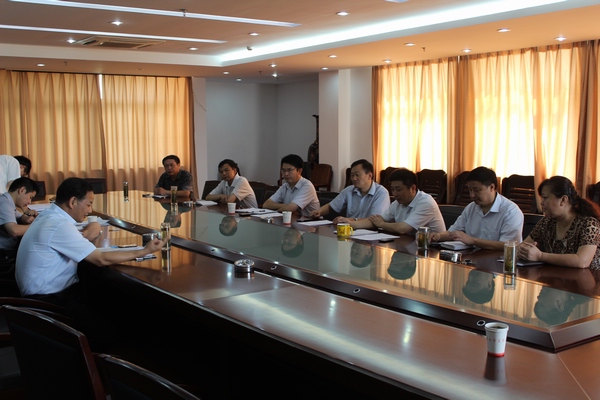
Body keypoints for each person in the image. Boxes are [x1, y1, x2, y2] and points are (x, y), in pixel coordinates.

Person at [431, 167, 523, 250]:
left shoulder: (511, 211)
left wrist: (473, 241)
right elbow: (453, 233)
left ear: (492, 187)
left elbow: (507, 245)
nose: (472, 195)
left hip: (498, 261)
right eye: (470, 190)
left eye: (476, 190)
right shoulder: (471, 208)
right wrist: (438, 236)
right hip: (472, 258)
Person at [518, 176, 600, 269]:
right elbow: (523, 246)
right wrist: (525, 251)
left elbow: (582, 261)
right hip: (555, 275)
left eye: (545, 198)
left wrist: (540, 256)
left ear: (563, 200)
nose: (541, 203)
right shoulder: (547, 222)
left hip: (588, 277)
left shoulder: (589, 224)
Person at [349, 168, 446, 235]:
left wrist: (382, 224)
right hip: (409, 245)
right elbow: (377, 220)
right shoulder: (398, 203)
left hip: (432, 250)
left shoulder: (426, 202)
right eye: (392, 189)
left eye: (398, 189)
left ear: (413, 188)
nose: (394, 194)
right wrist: (349, 224)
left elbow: (403, 229)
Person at [310, 159, 390, 223]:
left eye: (357, 175)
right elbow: (331, 206)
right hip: (350, 231)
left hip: (372, 232)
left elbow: (375, 220)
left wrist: (350, 220)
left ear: (369, 175)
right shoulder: (349, 190)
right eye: (352, 175)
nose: (354, 178)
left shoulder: (381, 193)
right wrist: (319, 212)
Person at [0, 177, 37, 274]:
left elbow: (19, 216)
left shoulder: (8, 202)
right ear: (22, 190)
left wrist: (24, 218)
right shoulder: (4, 203)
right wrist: (37, 227)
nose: (29, 202)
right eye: (30, 197)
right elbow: (14, 231)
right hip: (4, 256)